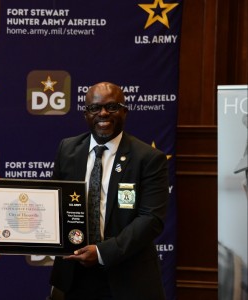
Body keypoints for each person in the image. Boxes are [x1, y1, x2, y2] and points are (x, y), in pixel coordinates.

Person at [48, 82, 169, 300]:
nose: (103, 113)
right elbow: (52, 201)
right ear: (86, 114)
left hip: (127, 277)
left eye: (112, 107)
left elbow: (151, 219)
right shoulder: (67, 149)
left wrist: (103, 252)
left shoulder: (148, 158)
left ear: (125, 111)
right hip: (74, 276)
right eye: (95, 108)